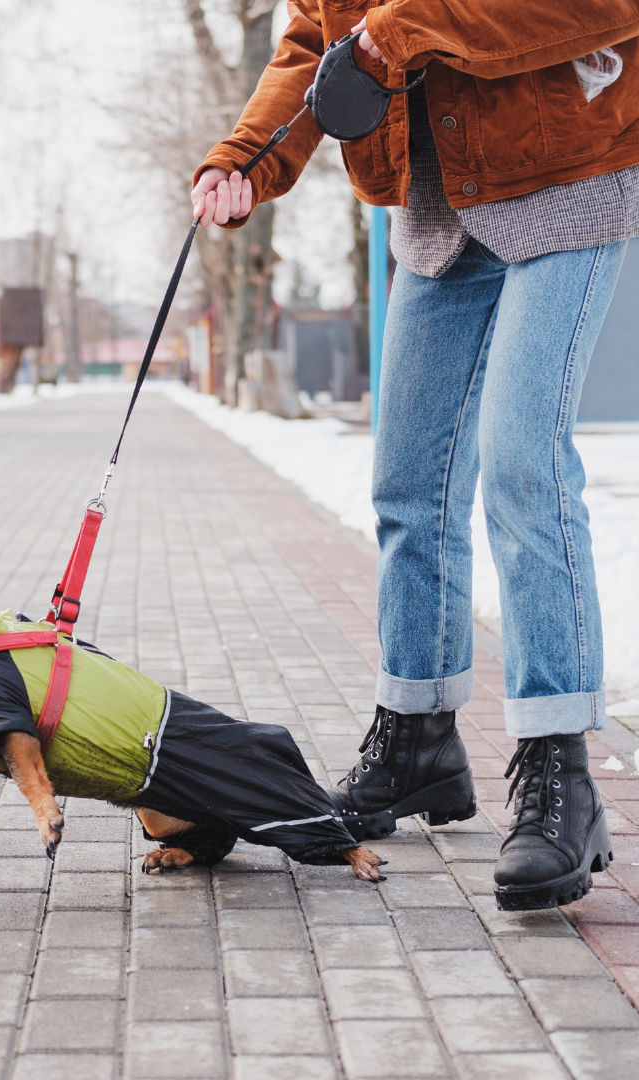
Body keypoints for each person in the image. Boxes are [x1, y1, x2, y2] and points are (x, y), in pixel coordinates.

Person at [192, 1, 639, 910]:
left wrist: (399, 32)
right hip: (434, 205)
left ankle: (561, 779)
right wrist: (246, 155)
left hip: (566, 173)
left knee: (522, 462)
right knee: (409, 486)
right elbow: (316, 45)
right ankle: (418, 738)